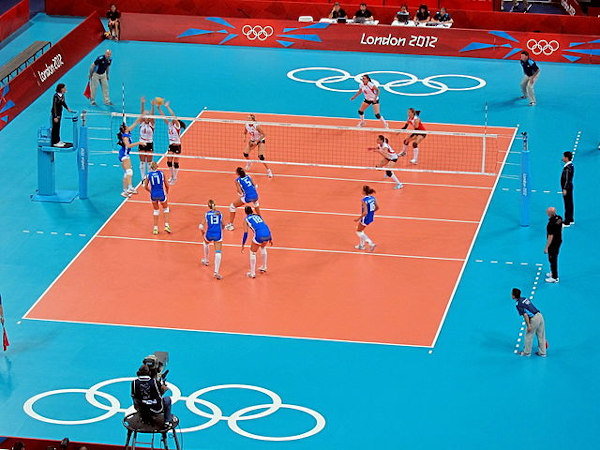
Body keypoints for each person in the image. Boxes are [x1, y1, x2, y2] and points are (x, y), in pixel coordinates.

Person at [157, 101, 186, 185]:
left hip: (177, 146)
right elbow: (163, 117)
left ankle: (175, 177)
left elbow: (173, 116)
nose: (172, 119)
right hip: (171, 145)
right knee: (169, 161)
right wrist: (159, 109)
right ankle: (172, 176)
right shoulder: (170, 124)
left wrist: (167, 107)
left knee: (175, 162)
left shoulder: (177, 125)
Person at [512, 288, 546, 357]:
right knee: (541, 335)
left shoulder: (518, 304)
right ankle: (543, 352)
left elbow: (525, 315)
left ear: (514, 296)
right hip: (540, 316)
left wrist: (528, 326)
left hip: (534, 319)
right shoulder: (524, 298)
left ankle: (526, 352)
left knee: (528, 335)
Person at [241, 206, 272, 278]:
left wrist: (243, 244)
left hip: (259, 235)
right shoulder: (258, 216)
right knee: (263, 248)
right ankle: (264, 267)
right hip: (267, 234)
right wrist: (270, 238)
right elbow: (265, 226)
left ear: (245, 212)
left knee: (252, 252)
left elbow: (246, 233)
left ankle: (252, 273)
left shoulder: (246, 219)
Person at [117, 118, 142, 198]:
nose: (129, 127)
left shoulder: (127, 132)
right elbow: (128, 146)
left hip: (125, 154)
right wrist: (139, 142)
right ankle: (130, 188)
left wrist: (141, 116)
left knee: (127, 173)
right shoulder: (125, 138)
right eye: (127, 126)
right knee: (129, 172)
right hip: (124, 155)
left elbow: (135, 123)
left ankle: (125, 191)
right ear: (125, 130)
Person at [144, 161, 171, 235]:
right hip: (161, 194)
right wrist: (167, 192)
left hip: (153, 195)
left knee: (156, 210)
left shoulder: (148, 175)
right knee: (166, 208)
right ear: (157, 166)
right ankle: (166, 225)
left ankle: (155, 228)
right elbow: (167, 185)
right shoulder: (161, 173)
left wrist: (150, 192)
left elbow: (145, 186)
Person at [200, 199, 224, 280]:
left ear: (208, 206)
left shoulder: (207, 214)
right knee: (218, 252)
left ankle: (206, 260)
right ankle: (216, 272)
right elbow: (223, 225)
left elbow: (200, 226)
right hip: (218, 234)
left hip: (209, 233)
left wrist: (203, 232)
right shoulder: (220, 213)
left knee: (205, 243)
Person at [354, 185, 378, 252]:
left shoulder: (364, 200)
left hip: (365, 218)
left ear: (364, 192)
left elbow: (365, 212)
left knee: (358, 231)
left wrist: (358, 218)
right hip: (371, 217)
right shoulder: (373, 198)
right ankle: (361, 245)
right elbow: (377, 207)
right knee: (361, 230)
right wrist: (371, 213)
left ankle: (371, 243)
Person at [138, 97, 155, 183]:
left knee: (149, 162)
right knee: (142, 162)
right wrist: (142, 104)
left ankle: (150, 177)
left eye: (148, 117)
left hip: (149, 143)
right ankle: (143, 178)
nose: (147, 118)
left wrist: (152, 106)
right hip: (141, 143)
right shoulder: (141, 123)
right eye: (146, 117)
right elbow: (141, 113)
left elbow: (152, 116)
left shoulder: (152, 124)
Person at [51, 83, 73, 147]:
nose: (65, 89)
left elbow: (63, 102)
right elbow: (54, 106)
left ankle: (58, 140)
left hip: (60, 113)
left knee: (58, 127)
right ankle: (55, 142)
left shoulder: (62, 95)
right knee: (55, 128)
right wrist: (55, 116)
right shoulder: (55, 97)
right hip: (56, 114)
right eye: (64, 88)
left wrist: (67, 108)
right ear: (61, 89)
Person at [544, 207, 562, 283]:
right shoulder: (559, 218)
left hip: (553, 244)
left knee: (552, 259)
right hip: (559, 241)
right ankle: (553, 272)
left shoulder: (550, 224)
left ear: (549, 214)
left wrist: (546, 247)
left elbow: (550, 236)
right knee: (553, 258)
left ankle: (554, 277)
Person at [561, 151, 575, 227]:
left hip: (567, 188)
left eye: (563, 157)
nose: (562, 158)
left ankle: (567, 221)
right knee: (570, 203)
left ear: (566, 158)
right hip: (570, 187)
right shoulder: (571, 166)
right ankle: (571, 219)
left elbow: (567, 179)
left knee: (567, 204)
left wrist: (565, 188)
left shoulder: (567, 168)